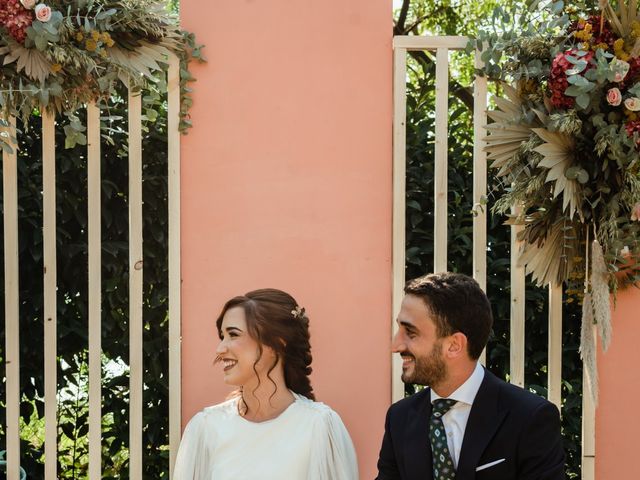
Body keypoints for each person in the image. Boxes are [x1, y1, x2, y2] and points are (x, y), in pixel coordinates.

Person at [376, 272, 565, 480]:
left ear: (454, 345)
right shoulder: (399, 419)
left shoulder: (530, 417)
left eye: (410, 333)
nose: (396, 345)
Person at [173, 288, 358, 480]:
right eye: (222, 336)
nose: (220, 349)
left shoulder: (319, 426)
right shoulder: (205, 428)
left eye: (234, 334)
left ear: (277, 343)